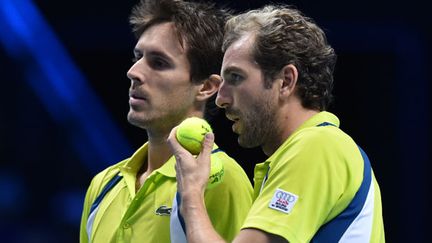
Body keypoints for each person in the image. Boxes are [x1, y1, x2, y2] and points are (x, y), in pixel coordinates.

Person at [168, 4, 385, 243]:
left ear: (286, 81)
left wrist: (191, 196)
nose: (220, 99)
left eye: (236, 78)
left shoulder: (317, 146)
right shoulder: (313, 149)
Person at [79, 0, 253, 242]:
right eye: (137, 57)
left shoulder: (222, 179)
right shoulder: (103, 184)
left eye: (159, 63)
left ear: (206, 87)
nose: (134, 72)